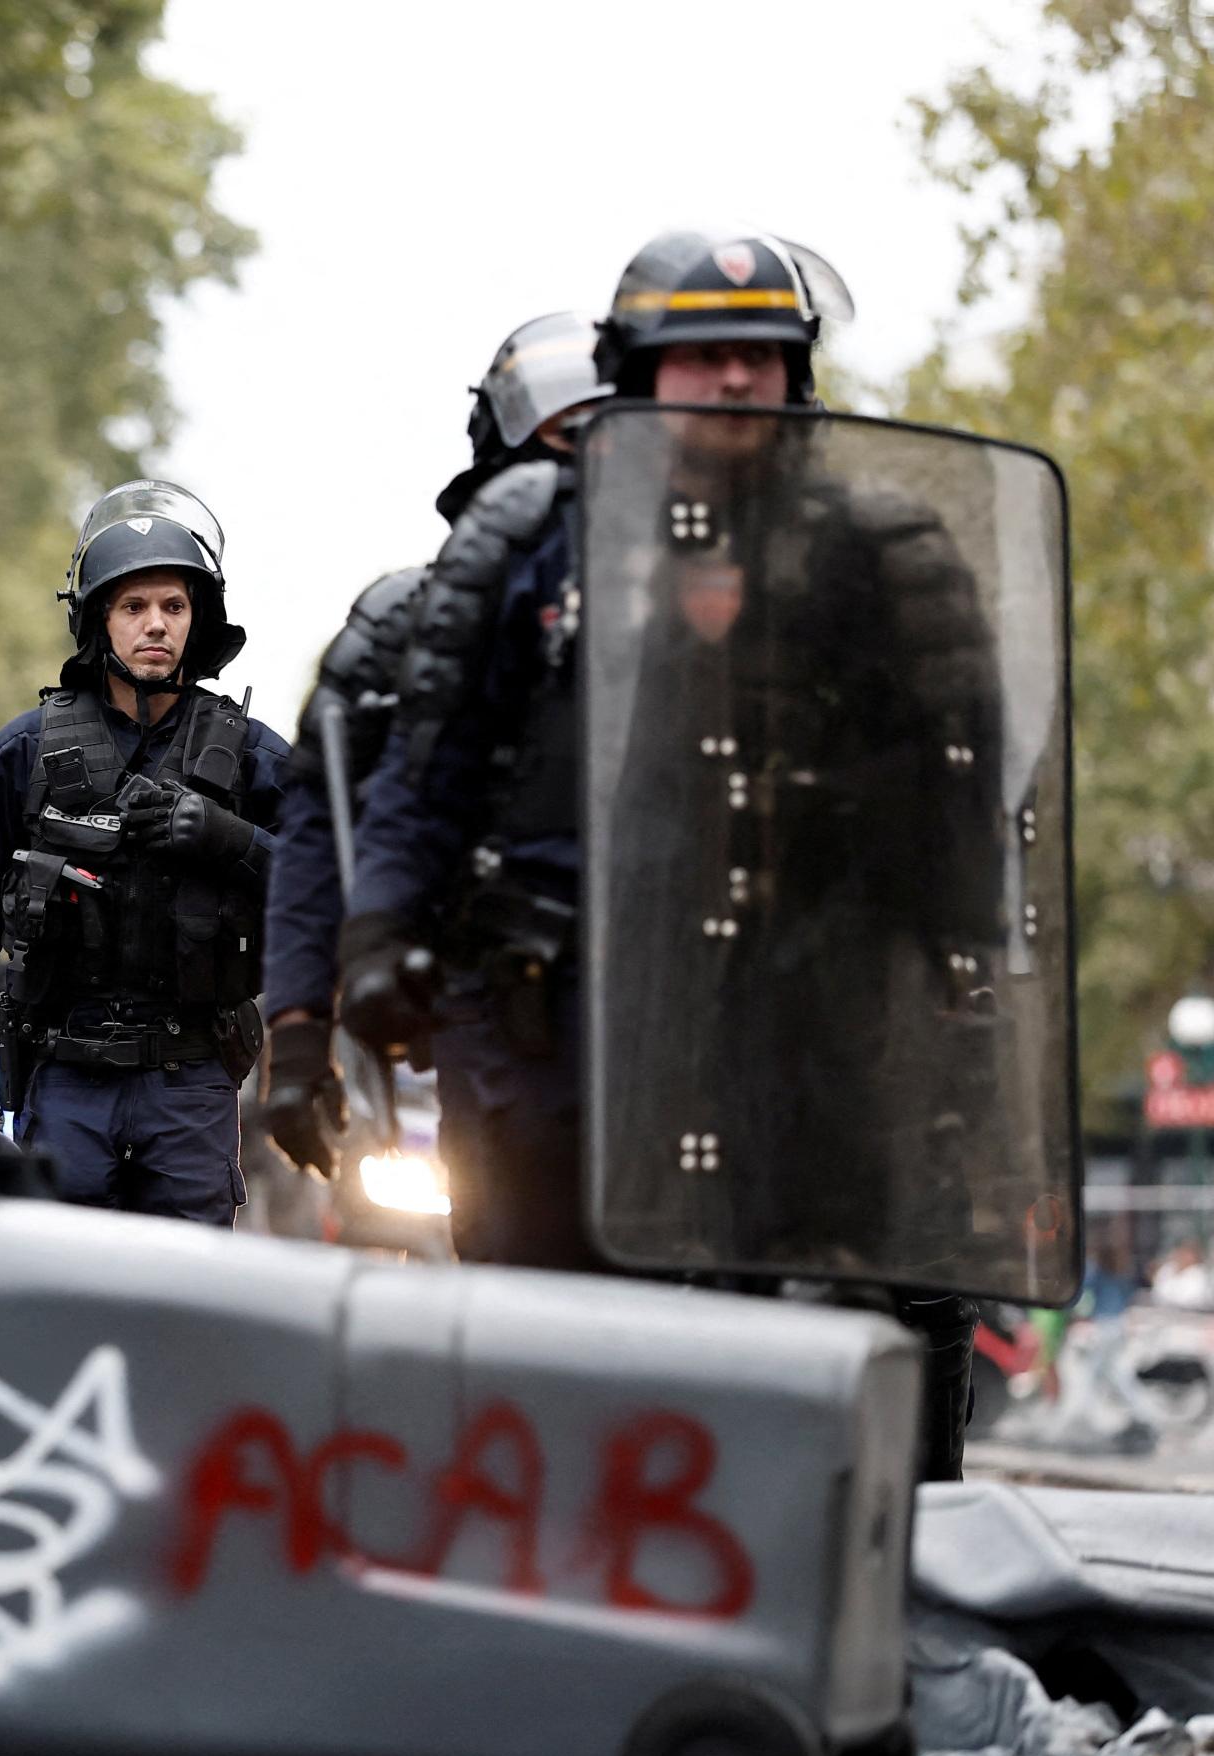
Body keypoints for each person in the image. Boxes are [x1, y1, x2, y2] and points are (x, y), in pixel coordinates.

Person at [341, 229, 1018, 1480]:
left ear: (799, 376)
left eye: (760, 357)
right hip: (567, 1040)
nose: (732, 382)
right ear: (636, 370)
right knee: (556, 1365)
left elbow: (961, 808)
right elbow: (423, 778)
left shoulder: (886, 552)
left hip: (804, 1033)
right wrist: (377, 940)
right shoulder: (516, 542)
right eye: (699, 356)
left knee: (804, 1371)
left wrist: (947, 999)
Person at [260, 311, 607, 1194]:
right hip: (498, 1027)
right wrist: (300, 1029)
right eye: (566, 440)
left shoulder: (711, 607)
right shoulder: (408, 627)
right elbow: (320, 812)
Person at [0, 481, 288, 1226]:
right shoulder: (25, 751)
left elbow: (329, 888)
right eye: (133, 606)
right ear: (99, 620)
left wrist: (231, 838)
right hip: (64, 1080)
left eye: (173, 606)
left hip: (191, 1083)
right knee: (61, 1299)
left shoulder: (254, 758)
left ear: (198, 619)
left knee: (188, 1309)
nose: (155, 625)